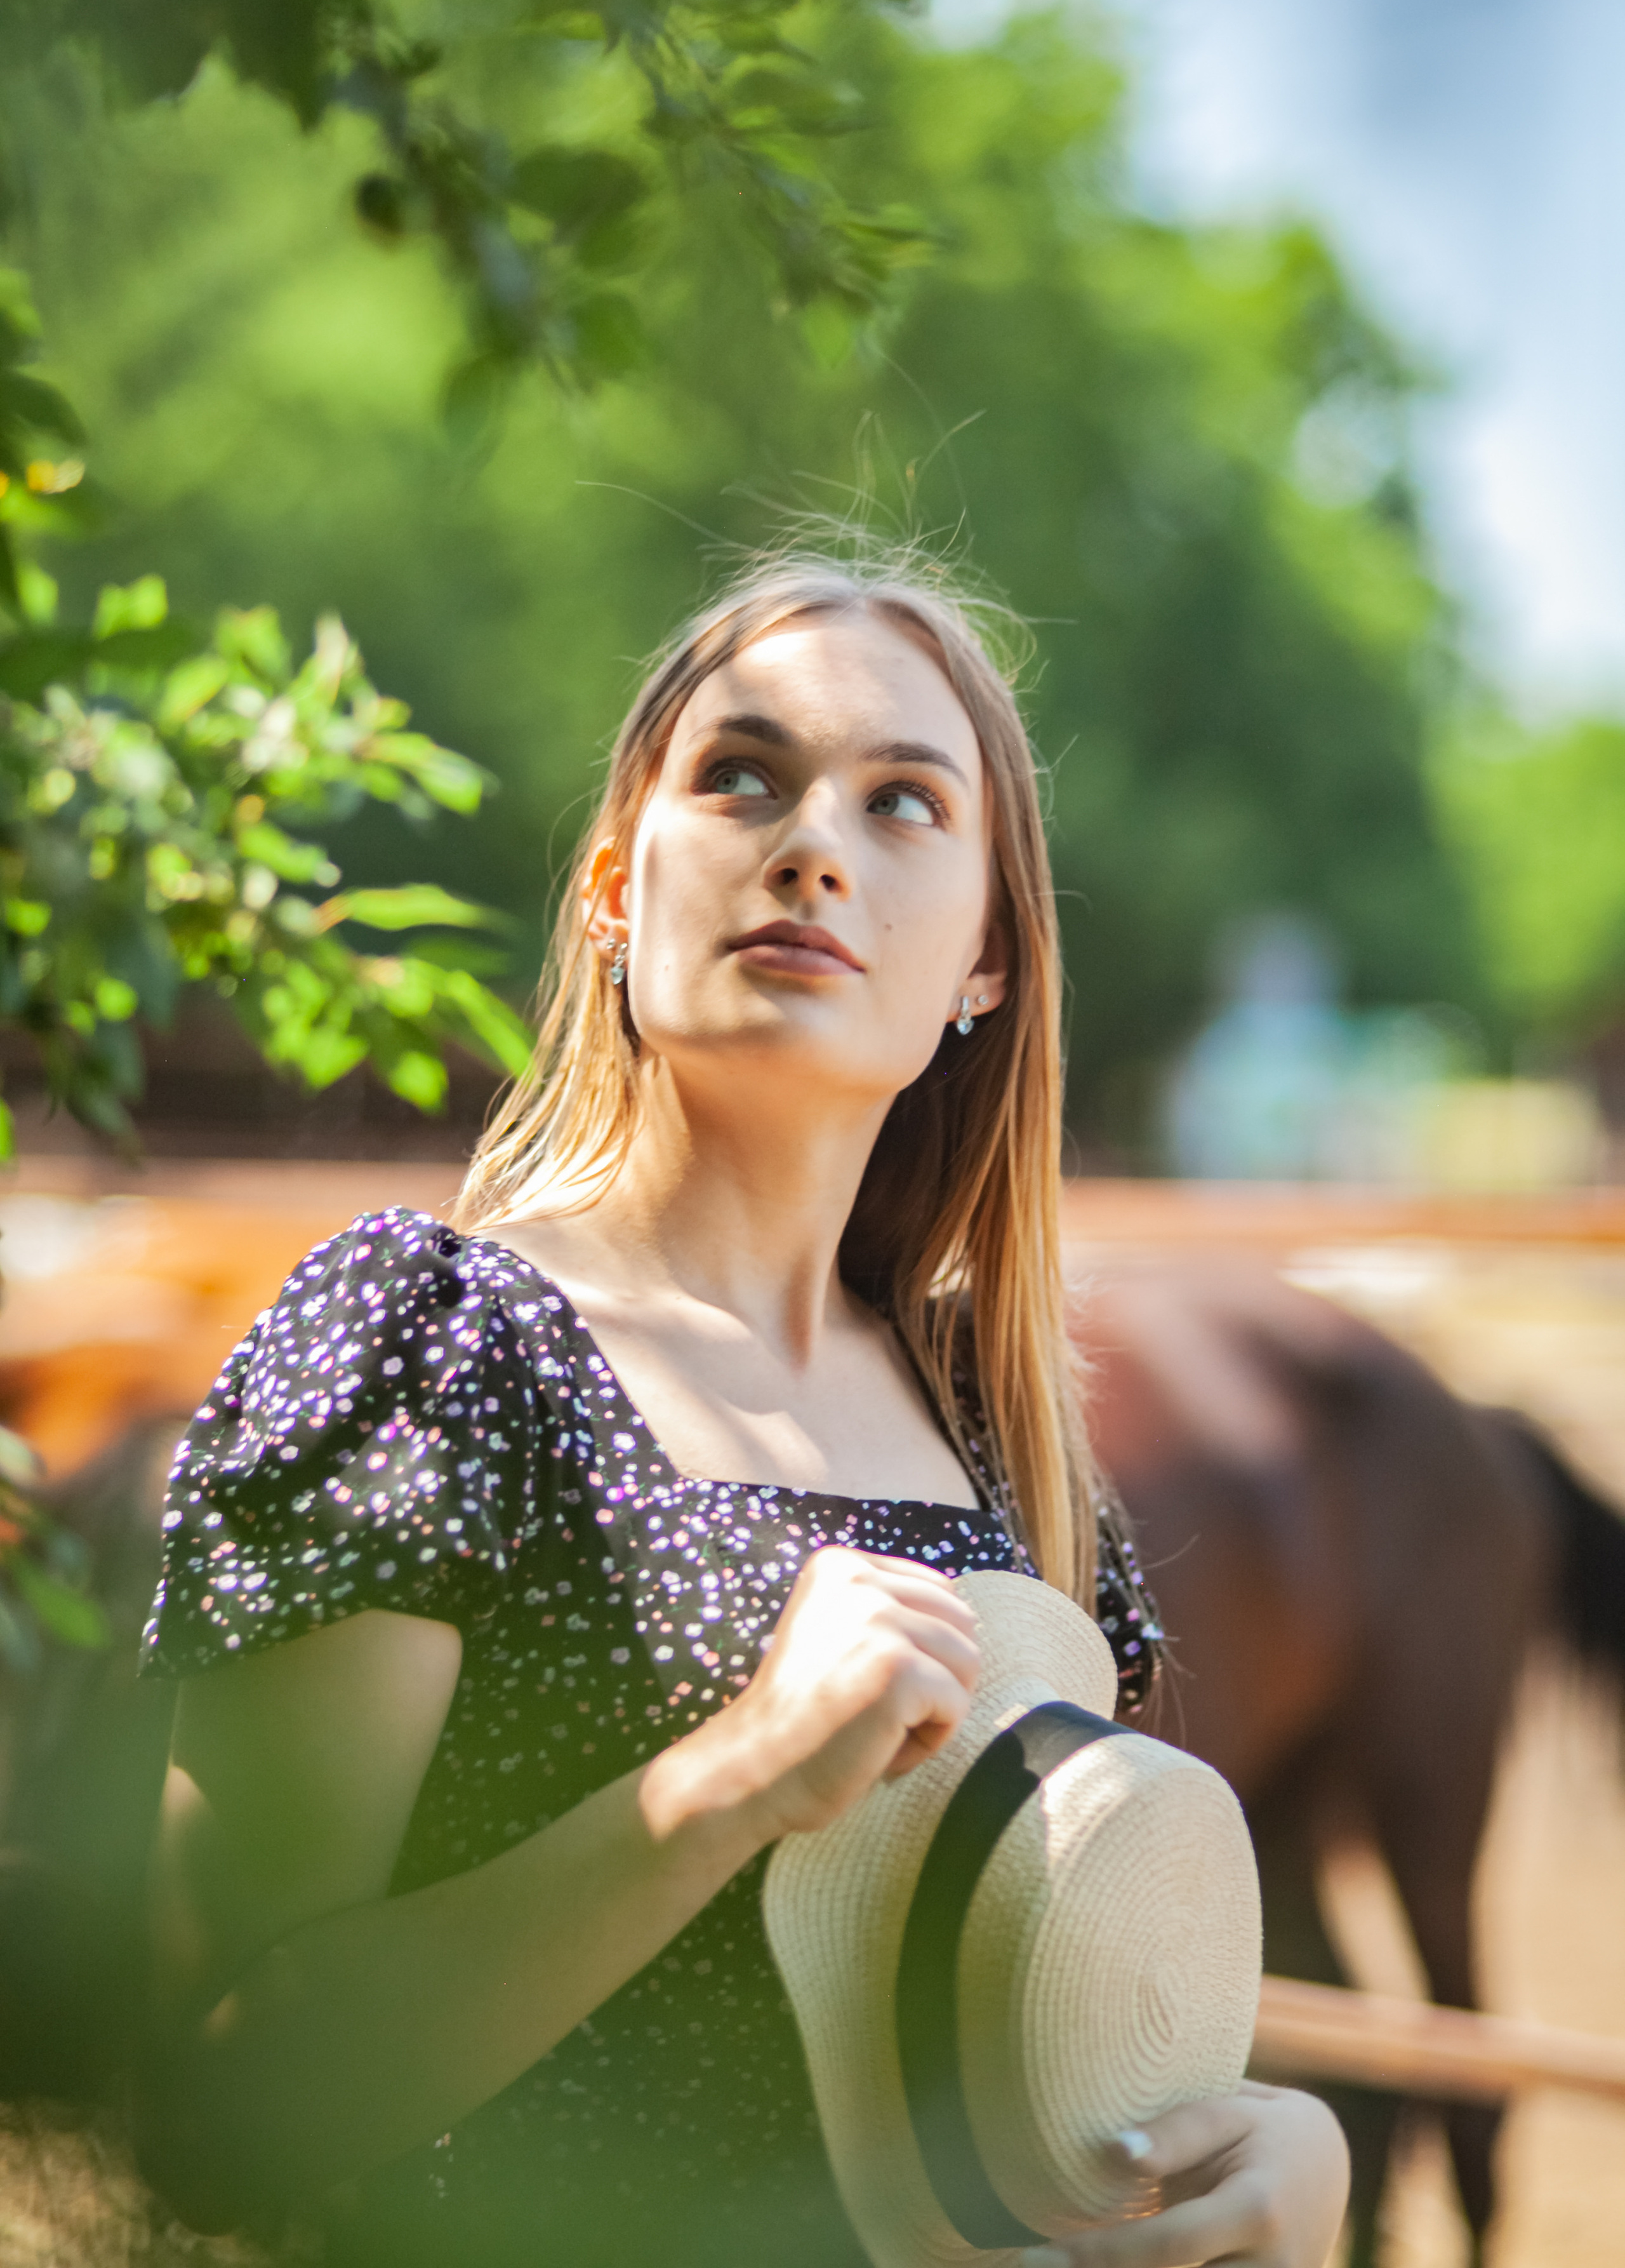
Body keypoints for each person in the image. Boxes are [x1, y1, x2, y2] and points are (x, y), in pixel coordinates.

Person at [138, 554, 1350, 2268]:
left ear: (986, 961)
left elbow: (1054, 2045)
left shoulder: (997, 1430)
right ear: (620, 887)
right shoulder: (437, 1347)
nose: (814, 845)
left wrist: (1257, 2156)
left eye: (906, 802)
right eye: (742, 777)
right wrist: (732, 1782)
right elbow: (213, 2116)